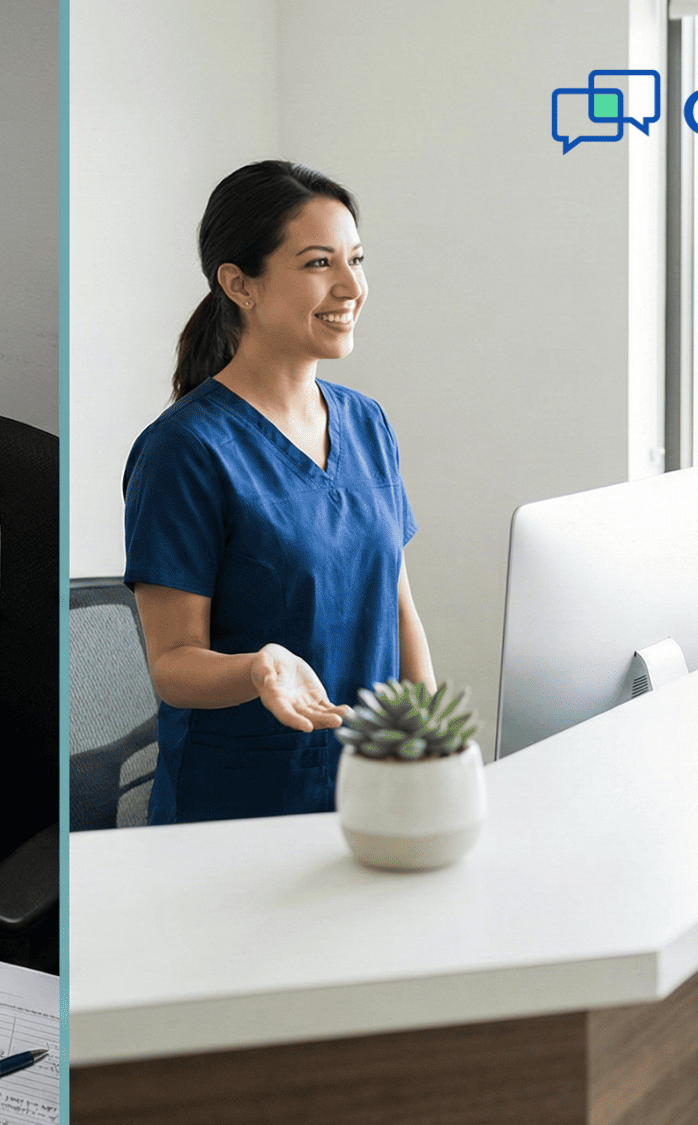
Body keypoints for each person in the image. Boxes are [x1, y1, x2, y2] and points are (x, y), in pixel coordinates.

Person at [122, 160, 434, 825]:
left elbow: (399, 607)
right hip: (239, 808)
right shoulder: (185, 450)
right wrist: (257, 668)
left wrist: (435, 747)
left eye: (355, 259)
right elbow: (172, 663)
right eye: (319, 263)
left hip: (371, 791)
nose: (351, 286)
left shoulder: (367, 422)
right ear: (240, 284)